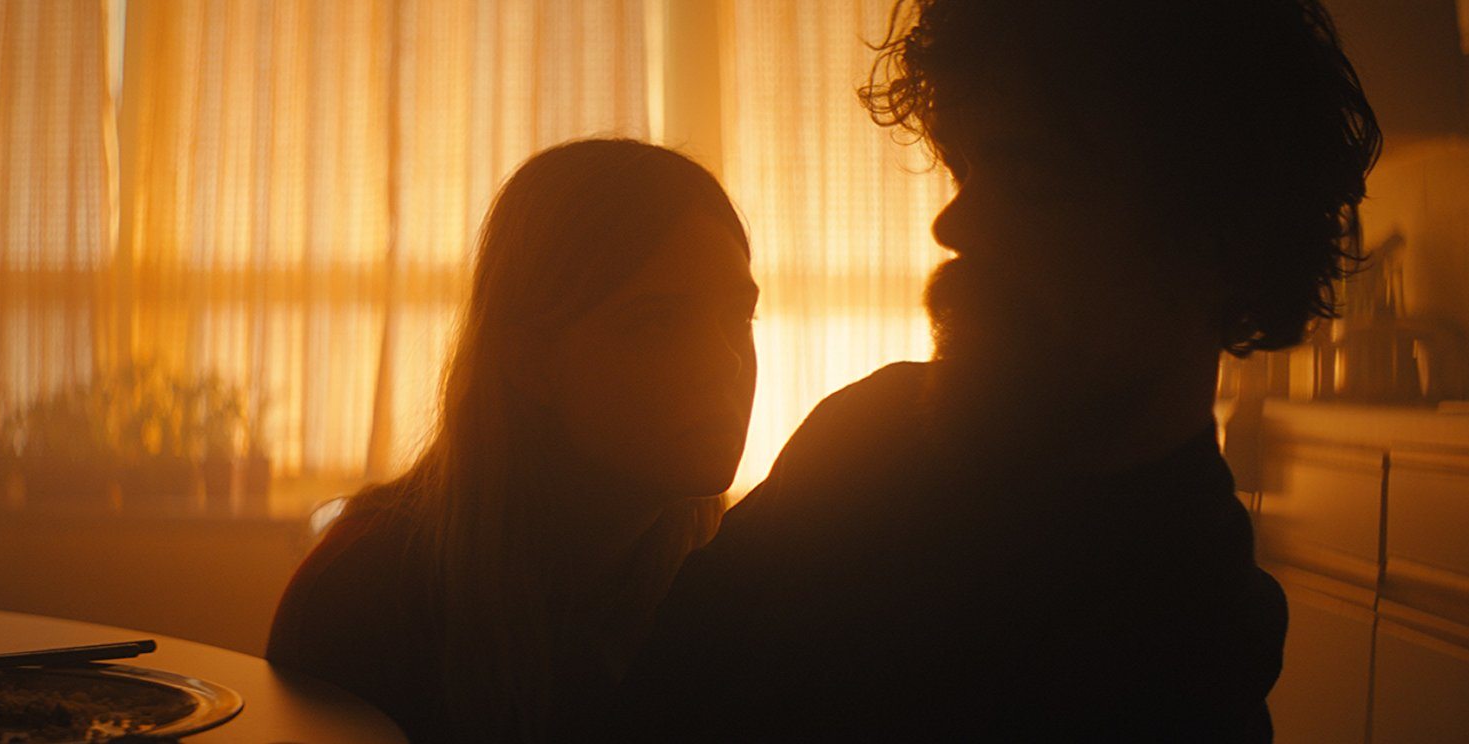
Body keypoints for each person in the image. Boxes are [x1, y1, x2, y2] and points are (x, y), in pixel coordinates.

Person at [613, 0, 1379, 741]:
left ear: (1217, 235)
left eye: (1031, 177)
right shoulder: (865, 431)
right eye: (964, 169)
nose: (951, 223)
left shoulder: (1191, 639)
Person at [266, 139, 759, 742]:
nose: (727, 361)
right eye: (656, 322)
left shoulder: (718, 581)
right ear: (528, 359)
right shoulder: (365, 597)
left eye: (740, 315)